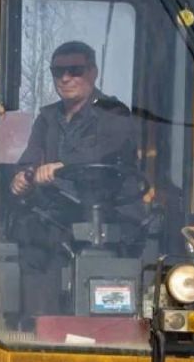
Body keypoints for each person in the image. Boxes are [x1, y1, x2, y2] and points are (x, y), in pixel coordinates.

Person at [7, 40, 139, 323]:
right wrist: (23, 176)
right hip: (56, 217)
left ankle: (114, 323)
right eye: (58, 71)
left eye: (75, 70)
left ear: (93, 73)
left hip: (110, 213)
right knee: (28, 234)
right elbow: (31, 157)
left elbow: (106, 151)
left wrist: (63, 167)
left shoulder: (114, 114)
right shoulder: (47, 117)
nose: (65, 78)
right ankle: (40, 326)